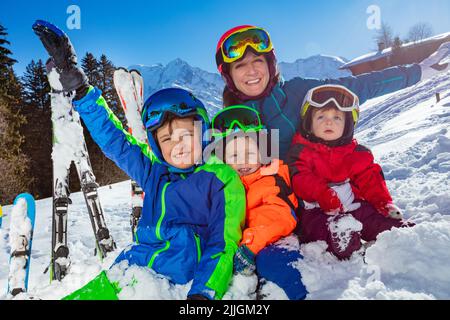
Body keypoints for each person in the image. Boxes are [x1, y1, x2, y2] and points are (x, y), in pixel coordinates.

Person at [33, 20, 246, 300]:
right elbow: (116, 141)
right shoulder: (154, 171)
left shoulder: (221, 179)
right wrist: (81, 88)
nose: (178, 146)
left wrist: (203, 293)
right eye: (167, 139)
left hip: (173, 282)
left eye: (185, 135)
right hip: (131, 268)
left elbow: (223, 243)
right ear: (157, 147)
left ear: (203, 132)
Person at [215, 25, 450, 160]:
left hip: (316, 198)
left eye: (257, 60)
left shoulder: (299, 92)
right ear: (230, 75)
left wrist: (417, 72)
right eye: (240, 65)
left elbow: (358, 87)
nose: (252, 71)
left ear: (270, 65)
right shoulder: (226, 121)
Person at [287, 84, 414, 259]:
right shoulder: (301, 151)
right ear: (309, 123)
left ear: (347, 125)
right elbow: (301, 179)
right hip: (317, 210)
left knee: (372, 216)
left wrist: (382, 202)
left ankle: (399, 234)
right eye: (321, 116)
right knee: (316, 228)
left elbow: (370, 179)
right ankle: (345, 241)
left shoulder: (356, 153)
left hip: (351, 206)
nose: (328, 121)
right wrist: (323, 194)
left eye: (337, 118)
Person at [211, 105, 307, 300]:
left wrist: (250, 244)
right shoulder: (224, 185)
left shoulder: (271, 177)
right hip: (239, 247)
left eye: (250, 154)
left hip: (273, 240)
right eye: (234, 156)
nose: (243, 162)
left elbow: (280, 215)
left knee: (276, 263)